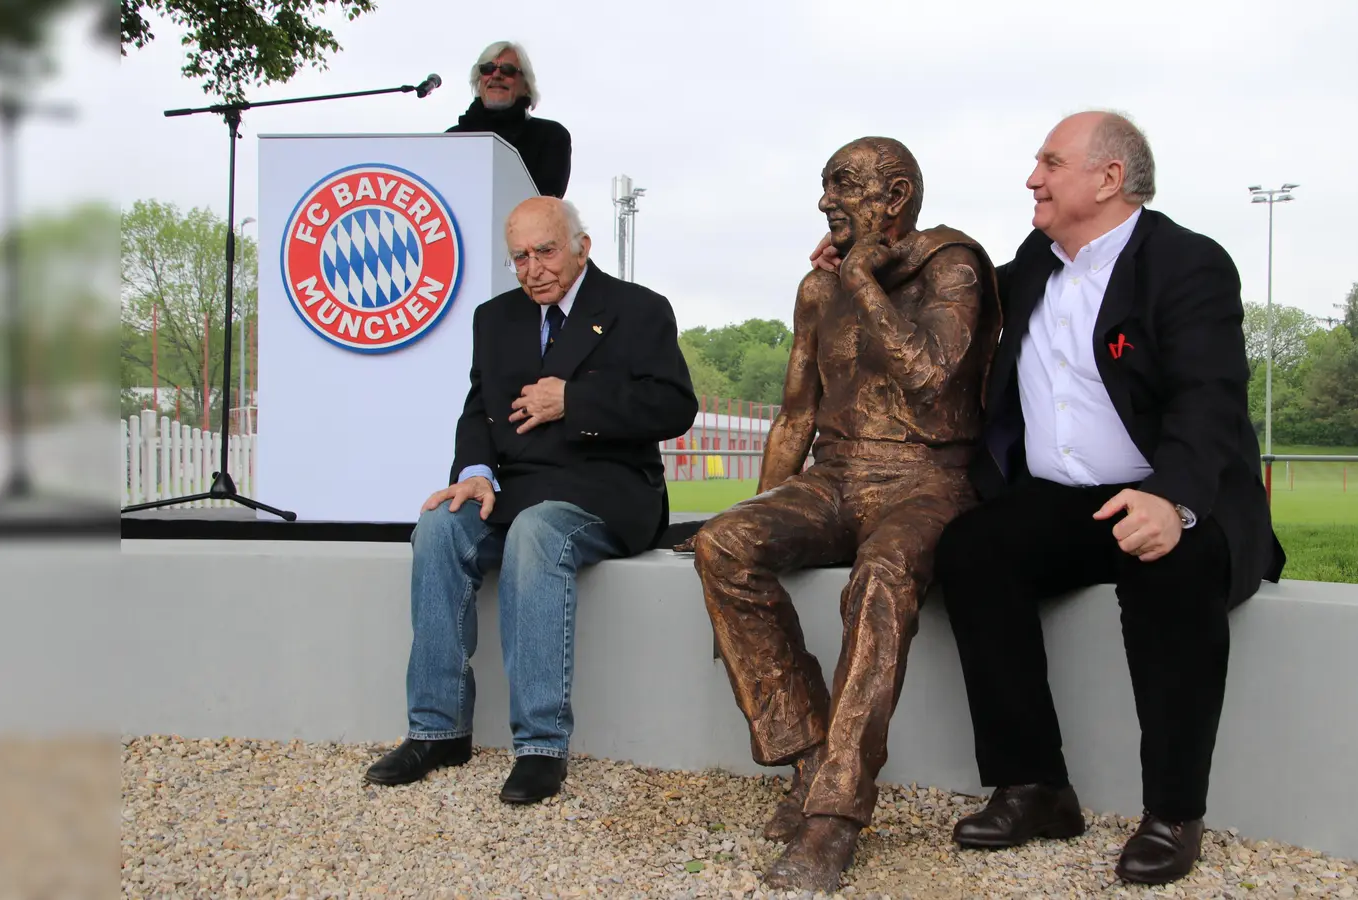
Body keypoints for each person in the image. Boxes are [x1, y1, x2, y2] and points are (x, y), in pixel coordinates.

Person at [812, 110, 1286, 886]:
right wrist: (862, 260)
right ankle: (1035, 785)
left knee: (1171, 571)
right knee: (973, 551)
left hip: (1171, 493)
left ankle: (1172, 812)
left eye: (1050, 162)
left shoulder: (1187, 264)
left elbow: (1209, 401)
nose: (1032, 177)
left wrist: (1171, 499)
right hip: (1064, 500)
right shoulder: (1036, 260)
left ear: (1109, 179)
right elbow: (949, 296)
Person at [685, 136, 1001, 893]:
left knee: (885, 572)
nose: (826, 202)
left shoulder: (954, 267)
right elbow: (796, 416)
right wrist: (759, 502)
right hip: (836, 474)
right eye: (826, 187)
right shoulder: (816, 288)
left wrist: (860, 275)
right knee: (724, 543)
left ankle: (835, 814)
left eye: (842, 187)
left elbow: (929, 373)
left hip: (929, 478)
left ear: (894, 197)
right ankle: (808, 754)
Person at [364, 196, 697, 805]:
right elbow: (477, 409)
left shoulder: (638, 309)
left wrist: (575, 402)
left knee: (537, 532)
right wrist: (474, 471)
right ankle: (437, 730)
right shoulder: (496, 319)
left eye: (545, 251)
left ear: (581, 246)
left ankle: (541, 747)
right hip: (512, 488)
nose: (533, 268)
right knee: (440, 524)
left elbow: (675, 408)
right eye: (519, 256)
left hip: (606, 489)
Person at [446, 41, 572, 198]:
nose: (496, 75)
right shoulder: (451, 138)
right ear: (479, 82)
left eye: (508, 70)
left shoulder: (550, 137)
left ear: (526, 86)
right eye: (488, 69)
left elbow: (545, 205)